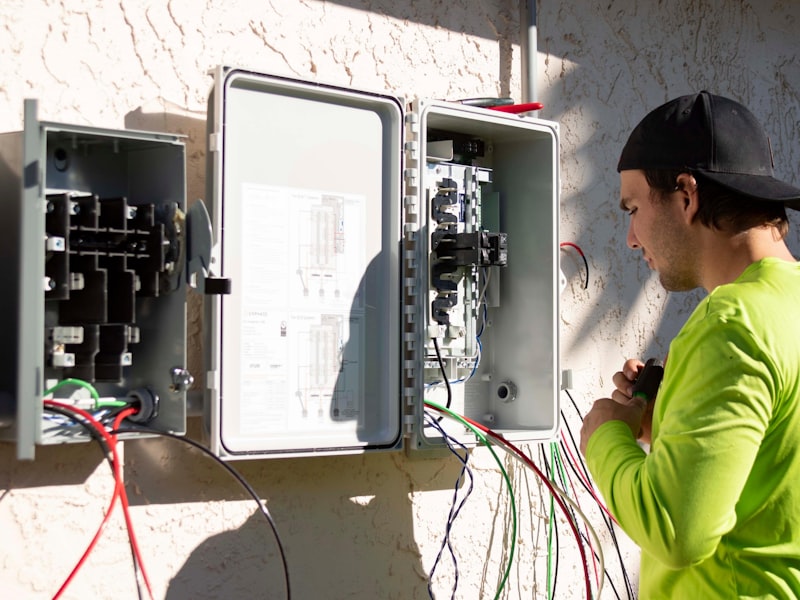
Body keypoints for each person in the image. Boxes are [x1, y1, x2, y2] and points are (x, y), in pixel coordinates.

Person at [579, 91, 800, 598]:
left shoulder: (732, 325)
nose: (631, 239)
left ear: (685, 193)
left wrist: (604, 438)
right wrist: (670, 420)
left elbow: (676, 531)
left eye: (632, 208)